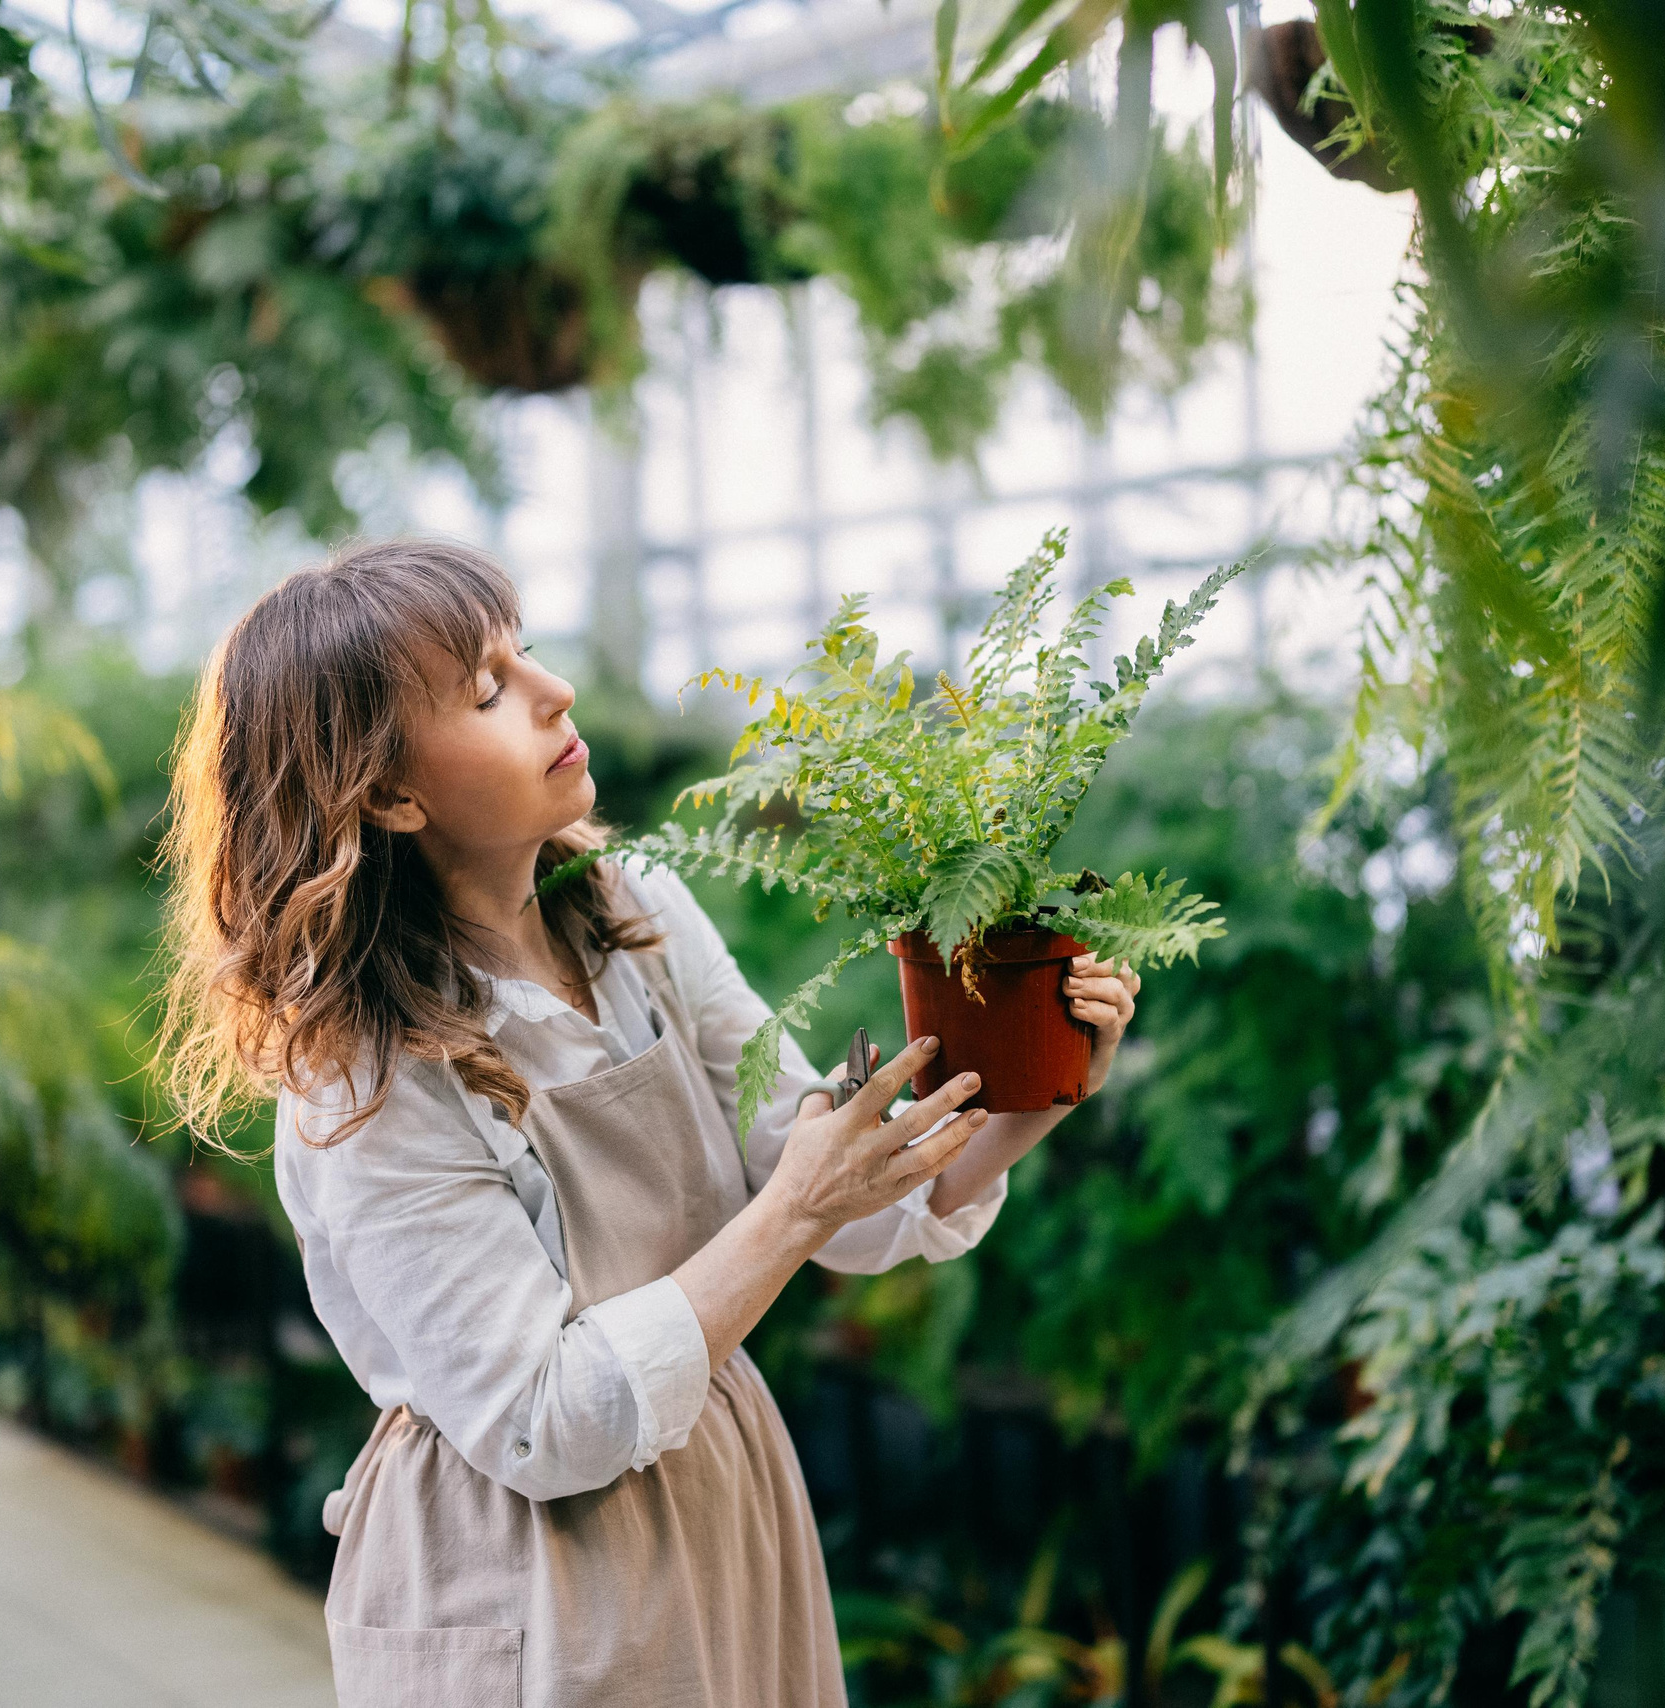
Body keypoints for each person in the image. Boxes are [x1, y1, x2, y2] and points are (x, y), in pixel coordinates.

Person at [153, 539, 1142, 1706]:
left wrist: (1037, 1082)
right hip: (522, 1565)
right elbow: (540, 1419)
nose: (549, 691)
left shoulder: (629, 910)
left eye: (524, 655)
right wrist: (794, 1209)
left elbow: (838, 1200)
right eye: (486, 689)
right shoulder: (362, 1077)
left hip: (717, 1499)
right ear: (388, 794)